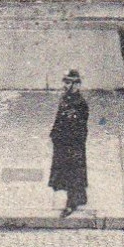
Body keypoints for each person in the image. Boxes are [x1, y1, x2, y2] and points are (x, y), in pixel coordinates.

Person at [48, 69, 89, 217]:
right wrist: (54, 134)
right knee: (67, 172)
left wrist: (74, 144)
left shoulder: (80, 103)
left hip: (73, 144)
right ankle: (80, 198)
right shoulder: (65, 99)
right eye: (64, 82)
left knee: (73, 173)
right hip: (63, 142)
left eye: (68, 83)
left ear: (76, 85)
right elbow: (59, 118)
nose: (65, 86)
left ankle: (71, 204)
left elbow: (81, 126)